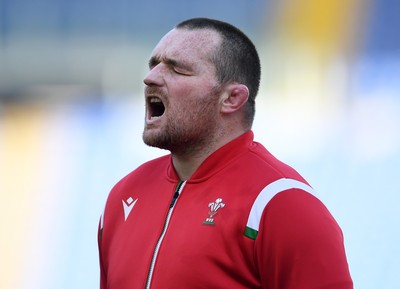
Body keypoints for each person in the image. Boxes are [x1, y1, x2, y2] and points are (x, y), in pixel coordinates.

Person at [98, 17, 353, 289]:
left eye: (177, 69)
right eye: (154, 64)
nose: (150, 77)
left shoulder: (280, 203)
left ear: (232, 98)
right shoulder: (123, 196)